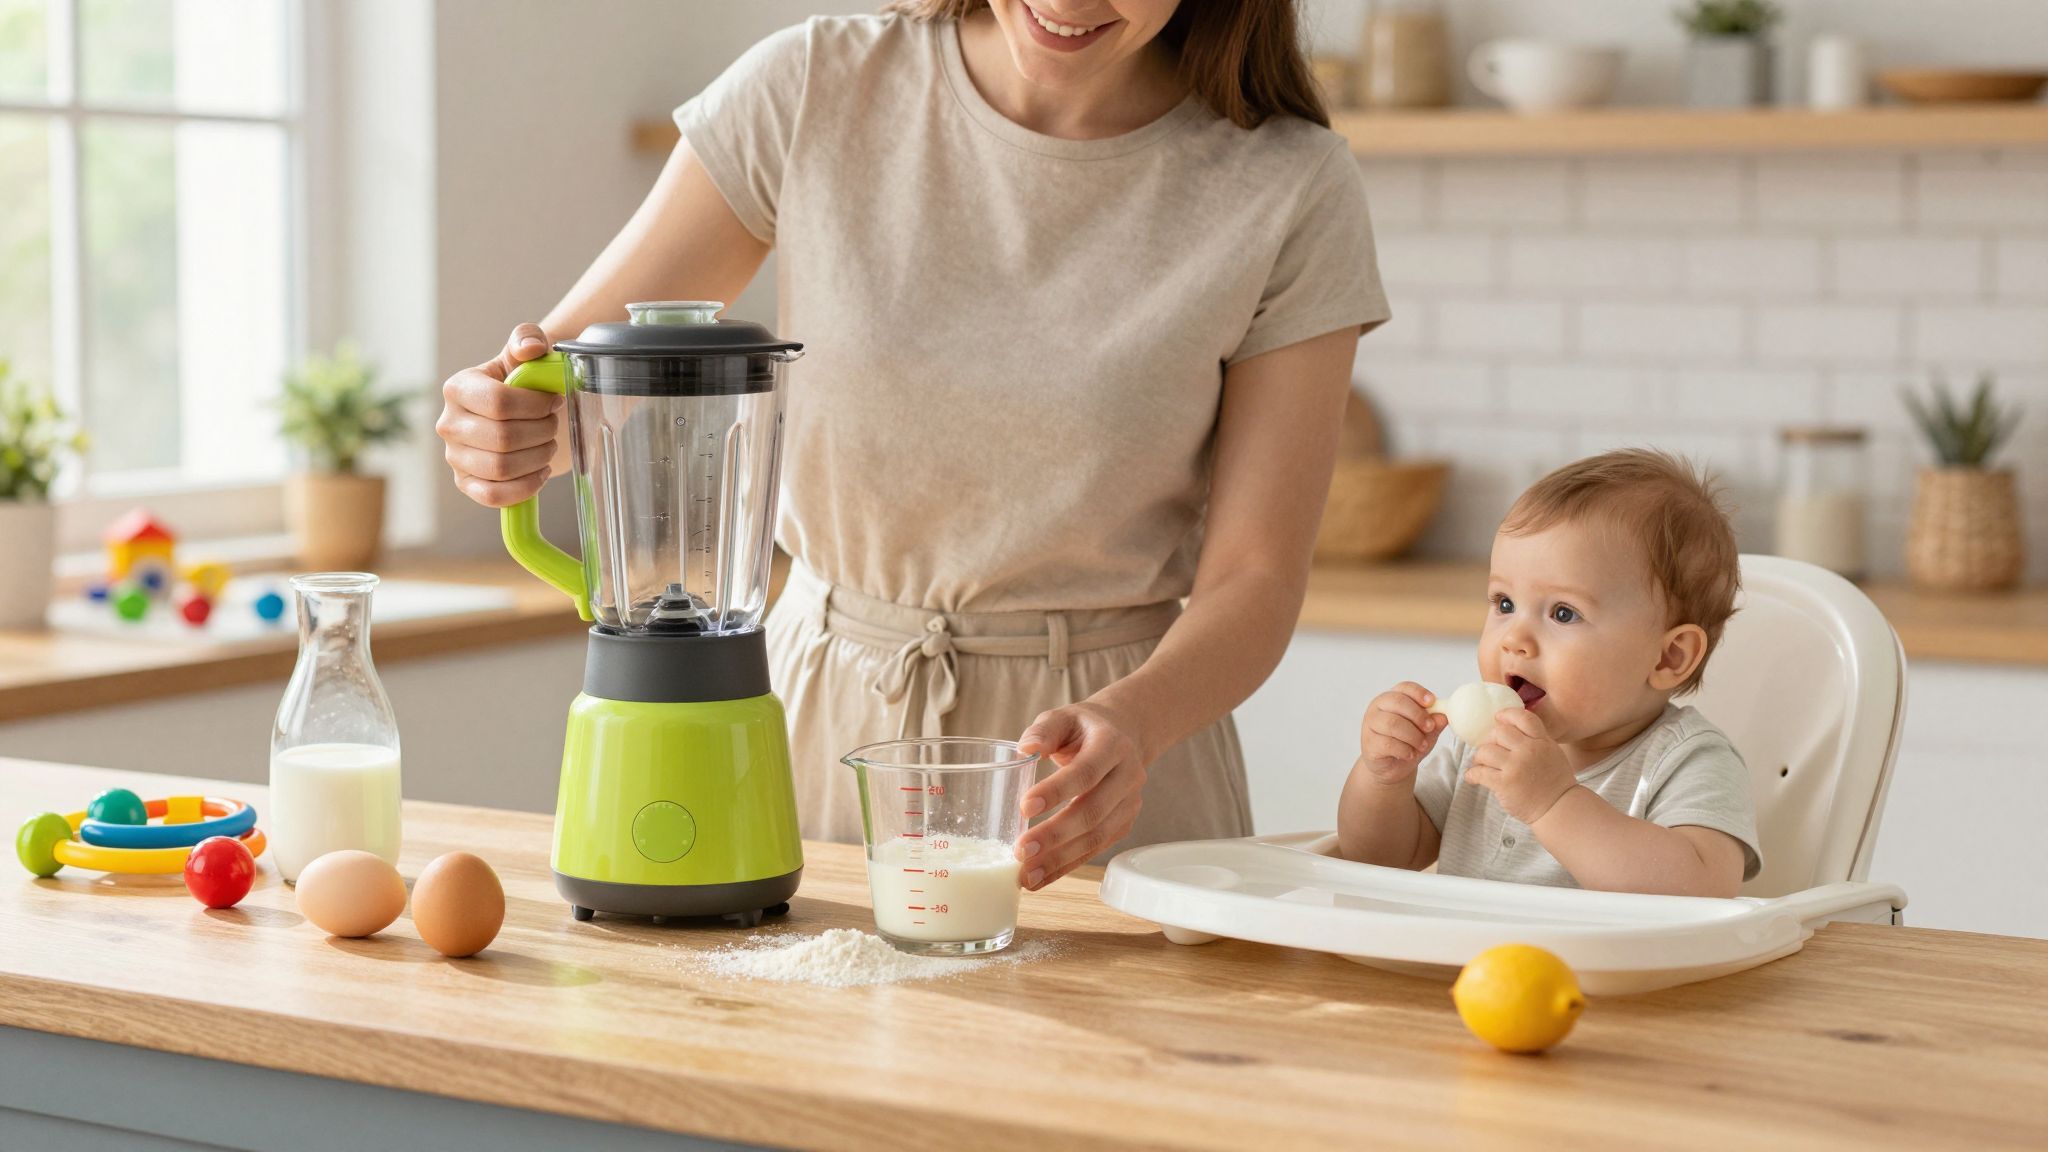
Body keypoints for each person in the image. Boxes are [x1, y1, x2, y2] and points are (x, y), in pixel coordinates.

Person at [437, 0, 1388, 891]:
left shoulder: (1289, 184)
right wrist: (505, 433)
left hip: (1101, 765)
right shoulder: (813, 85)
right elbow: (569, 388)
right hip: (815, 728)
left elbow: (1256, 580)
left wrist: (1134, 725)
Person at [1337, 450, 1762, 897]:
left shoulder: (1687, 760)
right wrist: (1383, 779)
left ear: (1667, 659)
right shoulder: (1477, 749)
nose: (1514, 638)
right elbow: (1380, 859)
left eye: (1563, 613)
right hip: (1468, 966)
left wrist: (1554, 803)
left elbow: (1703, 889)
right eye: (1504, 603)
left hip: (1604, 968)